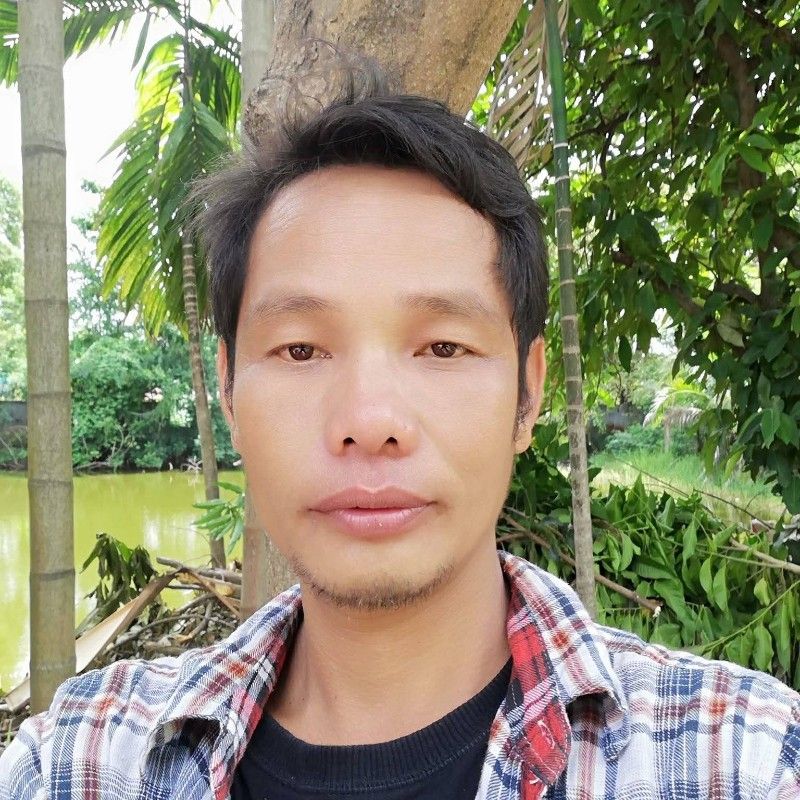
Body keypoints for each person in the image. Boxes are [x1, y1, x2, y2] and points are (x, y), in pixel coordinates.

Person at [2, 55, 799, 800]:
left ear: (528, 394)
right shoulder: (79, 761)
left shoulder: (741, 760)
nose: (369, 422)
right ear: (230, 390)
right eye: (301, 348)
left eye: (443, 347)